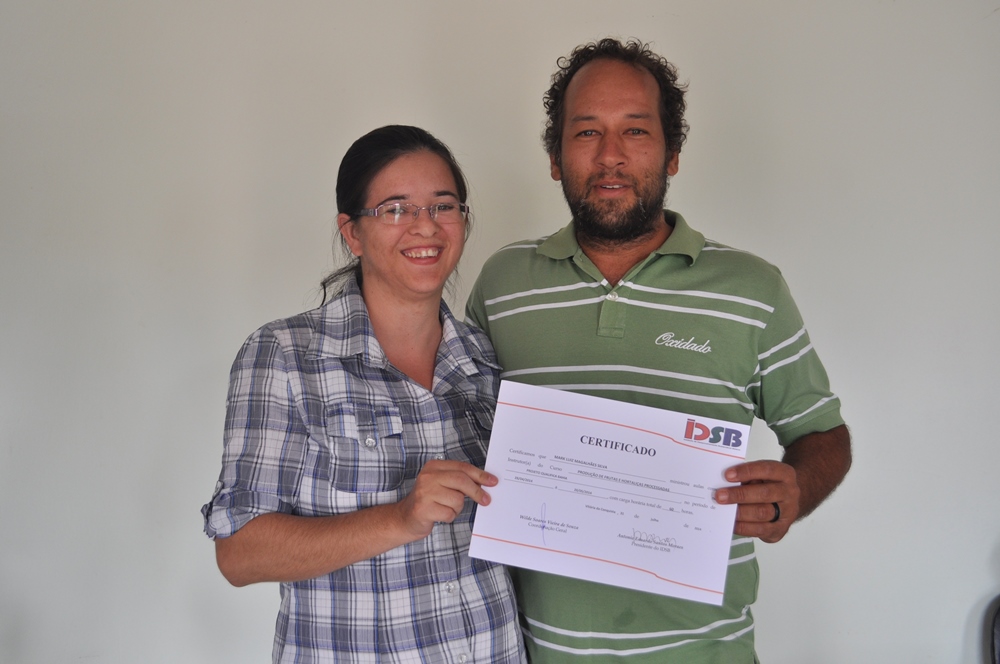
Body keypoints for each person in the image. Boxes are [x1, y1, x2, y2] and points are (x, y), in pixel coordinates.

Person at [466, 39, 852, 662]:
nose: (610, 155)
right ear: (556, 158)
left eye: (636, 130)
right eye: (586, 132)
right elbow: (463, 433)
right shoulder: (503, 284)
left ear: (672, 154)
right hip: (535, 651)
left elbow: (822, 432)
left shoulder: (752, 289)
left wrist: (796, 491)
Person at [203, 125, 526, 663]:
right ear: (352, 234)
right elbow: (239, 553)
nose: (426, 225)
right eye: (396, 209)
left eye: (443, 205)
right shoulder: (285, 355)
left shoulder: (485, 357)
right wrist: (400, 518)